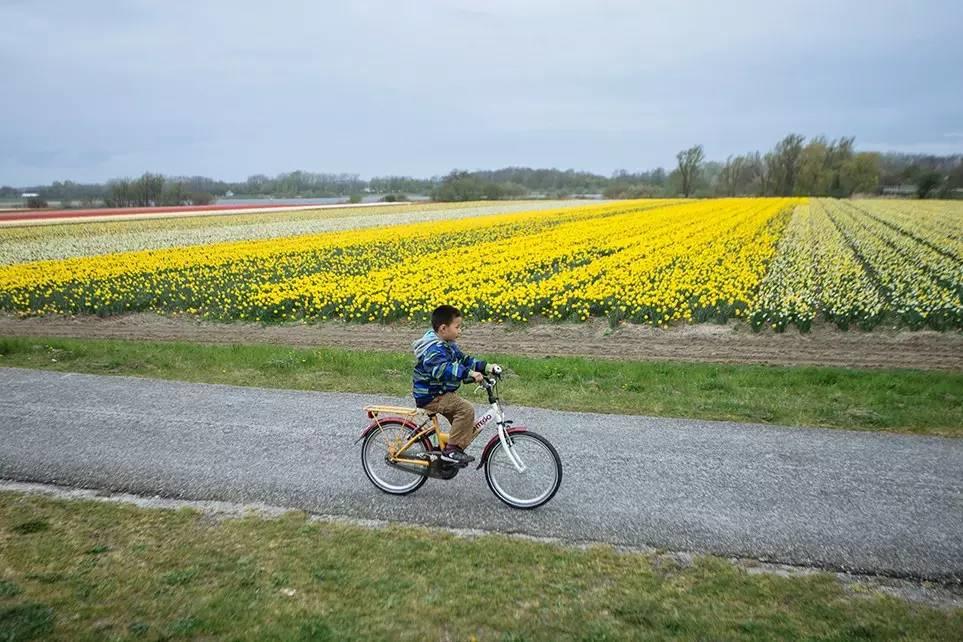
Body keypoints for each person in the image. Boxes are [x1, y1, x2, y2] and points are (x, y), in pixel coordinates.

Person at [412, 305, 500, 466]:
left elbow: (465, 360)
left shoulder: (448, 344)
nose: (460, 330)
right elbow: (443, 369)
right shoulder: (434, 349)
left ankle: (447, 450)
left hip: (440, 392)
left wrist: (487, 367)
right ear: (444, 328)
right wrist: (469, 374)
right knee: (465, 410)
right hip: (431, 395)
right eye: (457, 327)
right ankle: (451, 452)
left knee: (466, 426)